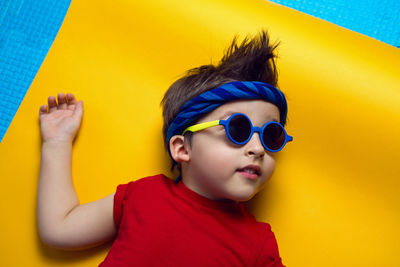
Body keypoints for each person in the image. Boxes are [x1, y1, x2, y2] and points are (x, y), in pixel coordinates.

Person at [37, 30, 292, 266]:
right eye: (238, 129)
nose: (258, 149)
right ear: (182, 148)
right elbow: (59, 228)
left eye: (271, 136)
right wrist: (56, 144)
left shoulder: (259, 244)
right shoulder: (143, 195)